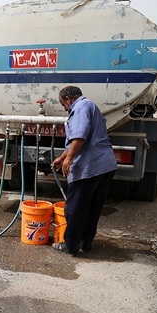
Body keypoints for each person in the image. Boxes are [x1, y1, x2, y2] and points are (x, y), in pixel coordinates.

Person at [50, 86, 117, 255]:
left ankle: (71, 245)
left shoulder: (79, 107)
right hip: (105, 166)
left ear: (68, 99)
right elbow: (80, 138)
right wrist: (63, 156)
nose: (65, 109)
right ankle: (85, 244)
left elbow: (80, 135)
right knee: (93, 208)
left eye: (63, 105)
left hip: (90, 167)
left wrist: (70, 159)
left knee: (74, 208)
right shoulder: (90, 106)